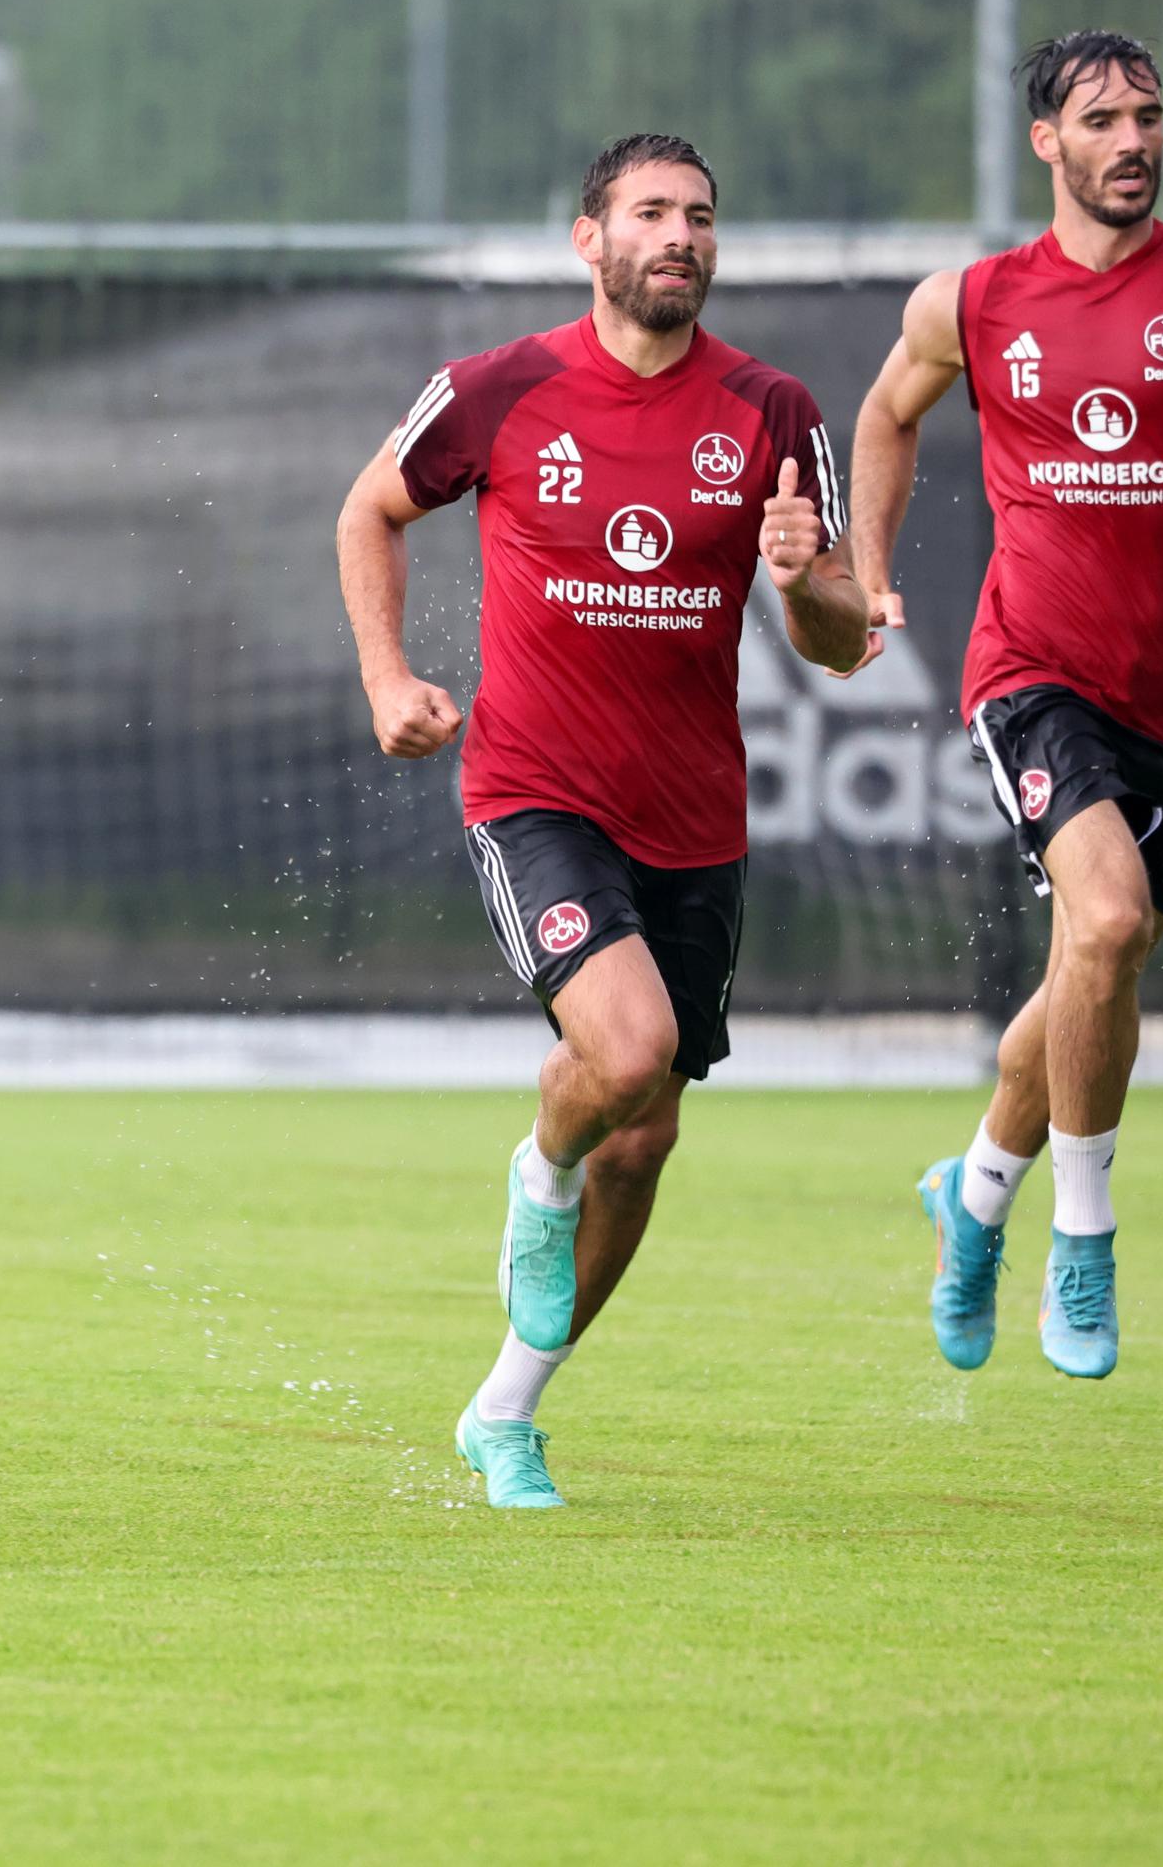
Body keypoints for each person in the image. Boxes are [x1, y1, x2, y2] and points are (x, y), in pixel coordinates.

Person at [336, 133, 872, 1508]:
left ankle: (505, 1410)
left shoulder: (773, 409)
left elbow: (836, 641)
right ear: (590, 240)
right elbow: (370, 510)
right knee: (621, 1055)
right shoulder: (501, 389)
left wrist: (807, 578)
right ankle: (538, 1158)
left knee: (649, 1135)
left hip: (694, 822)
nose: (680, 236)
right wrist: (390, 675)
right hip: (534, 795)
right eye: (651, 213)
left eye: (701, 215)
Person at [849, 31, 1163, 1380]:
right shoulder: (975, 300)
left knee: (1093, 965)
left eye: (1148, 117)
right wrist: (871, 571)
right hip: (1031, 671)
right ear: (1048, 145)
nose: (1132, 140)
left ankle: (973, 1197)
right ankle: (1083, 1240)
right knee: (1113, 918)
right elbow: (887, 416)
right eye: (1102, 119)